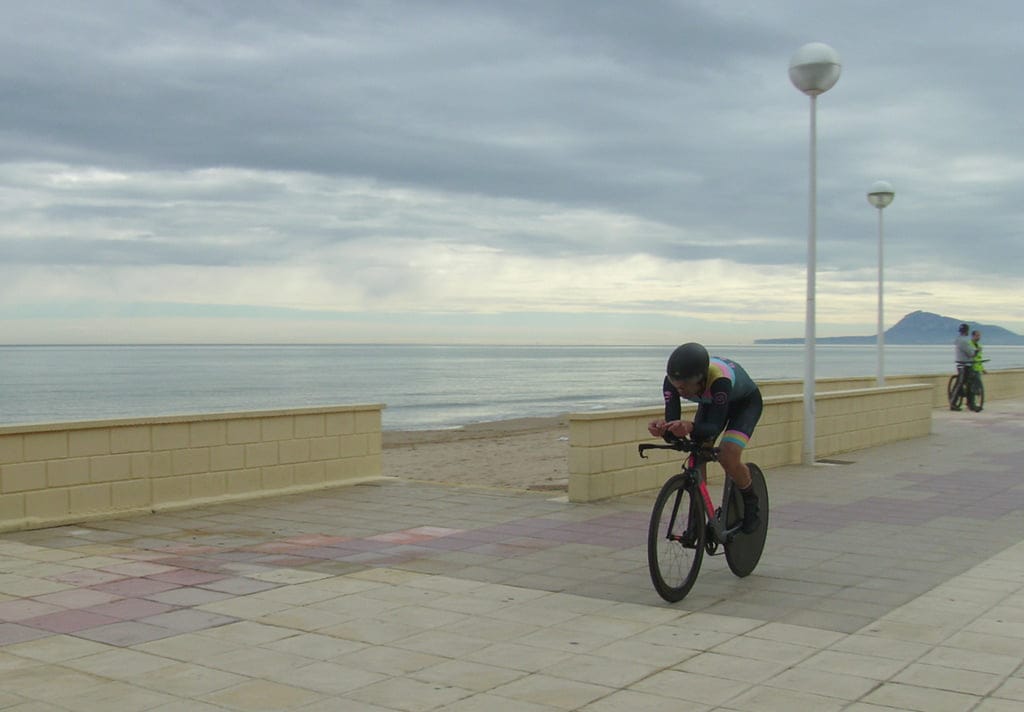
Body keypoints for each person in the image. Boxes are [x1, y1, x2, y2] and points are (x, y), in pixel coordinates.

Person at [647, 342, 763, 533]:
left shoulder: (719, 381)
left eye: (684, 387)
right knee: (698, 451)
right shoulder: (673, 382)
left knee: (728, 455)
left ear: (701, 381)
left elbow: (713, 427)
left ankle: (751, 502)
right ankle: (698, 515)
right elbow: (673, 423)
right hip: (712, 402)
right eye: (676, 387)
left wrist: (690, 426)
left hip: (744, 404)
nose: (679, 391)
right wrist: (664, 429)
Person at [951, 323, 978, 411]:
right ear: (967, 331)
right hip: (964, 365)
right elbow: (970, 353)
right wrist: (975, 351)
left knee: (964, 383)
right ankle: (954, 403)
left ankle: (969, 403)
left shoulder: (958, 340)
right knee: (962, 383)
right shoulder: (964, 341)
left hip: (961, 364)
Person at [970, 330, 985, 411]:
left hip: (978, 368)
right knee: (973, 386)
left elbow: (979, 358)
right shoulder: (969, 344)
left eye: (979, 336)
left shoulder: (979, 346)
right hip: (971, 368)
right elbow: (970, 355)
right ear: (972, 336)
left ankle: (975, 402)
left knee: (977, 386)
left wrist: (983, 369)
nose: (978, 337)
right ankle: (972, 403)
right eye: (977, 335)